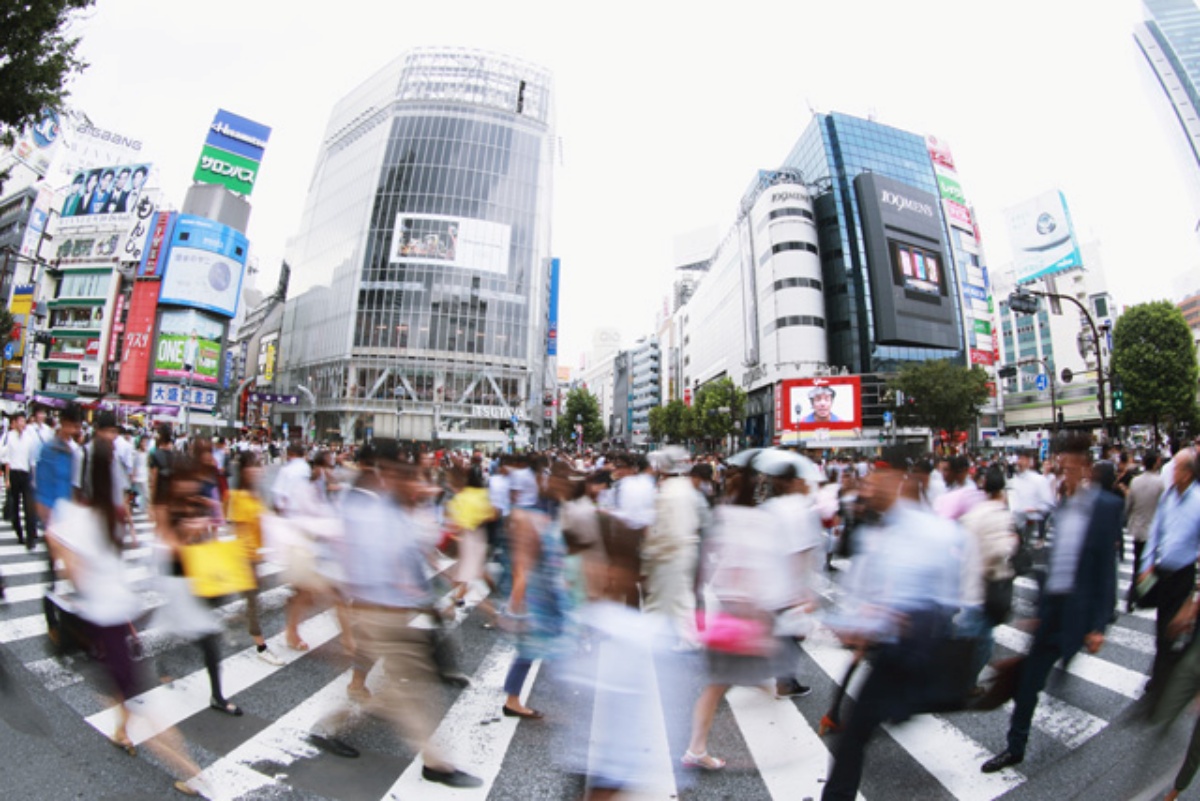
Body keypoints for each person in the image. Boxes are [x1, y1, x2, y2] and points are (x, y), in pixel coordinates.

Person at [309, 440, 483, 788]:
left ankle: (331, 725)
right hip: (379, 613)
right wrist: (347, 624)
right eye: (408, 477)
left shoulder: (396, 511)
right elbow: (349, 565)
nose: (416, 485)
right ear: (388, 475)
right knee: (414, 688)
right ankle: (435, 763)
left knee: (403, 688)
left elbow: (414, 559)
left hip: (397, 613)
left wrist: (429, 597)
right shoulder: (368, 511)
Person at [822, 450, 966, 800]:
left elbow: (951, 593)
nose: (870, 486)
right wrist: (854, 624)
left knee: (857, 732)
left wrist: (913, 619)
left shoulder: (931, 530)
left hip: (913, 647)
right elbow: (863, 590)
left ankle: (906, 705)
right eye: (871, 477)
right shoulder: (877, 532)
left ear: (900, 480)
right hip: (890, 649)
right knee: (855, 734)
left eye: (879, 478)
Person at [981, 434, 1122, 774]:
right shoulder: (1063, 507)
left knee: (1056, 665)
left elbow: (1106, 568)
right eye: (1061, 467)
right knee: (1028, 682)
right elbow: (1053, 563)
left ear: (1085, 468)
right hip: (1052, 611)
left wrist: (1099, 625)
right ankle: (1015, 747)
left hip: (1079, 611)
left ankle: (1066, 661)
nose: (1064, 473)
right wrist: (1037, 610)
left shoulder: (1105, 507)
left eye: (1070, 467)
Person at [683, 463, 789, 771]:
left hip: (728, 611)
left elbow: (711, 566)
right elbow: (756, 571)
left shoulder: (722, 517)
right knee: (740, 681)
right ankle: (783, 746)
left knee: (721, 684)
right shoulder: (758, 522)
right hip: (746, 614)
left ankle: (697, 748)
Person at [500, 460, 575, 720]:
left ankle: (513, 697)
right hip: (538, 593)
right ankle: (512, 699)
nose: (564, 488)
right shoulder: (534, 513)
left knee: (535, 646)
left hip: (548, 589)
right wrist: (515, 605)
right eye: (561, 482)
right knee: (533, 646)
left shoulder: (553, 509)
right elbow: (523, 562)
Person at [1136, 449, 1200, 706]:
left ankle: (1163, 679)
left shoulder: (1198, 500)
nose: (1172, 472)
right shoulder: (1168, 497)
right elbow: (1155, 532)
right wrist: (1147, 565)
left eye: (1176, 468)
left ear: (1187, 473)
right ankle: (1165, 671)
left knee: (1174, 627)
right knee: (1163, 625)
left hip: (1185, 574)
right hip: (1163, 572)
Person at [958, 465, 1019, 680]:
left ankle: (962, 680)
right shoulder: (1000, 515)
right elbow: (1001, 551)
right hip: (987, 587)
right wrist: (1012, 544)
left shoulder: (974, 513)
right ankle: (965, 683)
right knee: (983, 641)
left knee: (974, 636)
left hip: (968, 584)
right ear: (1002, 490)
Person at [226, 452, 283, 666]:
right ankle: (261, 647)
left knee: (253, 601)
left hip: (254, 558)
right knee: (253, 604)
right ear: (243, 470)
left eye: (258, 466)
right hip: (245, 559)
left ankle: (237, 622)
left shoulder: (254, 494)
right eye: (252, 466)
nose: (257, 470)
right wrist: (250, 563)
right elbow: (240, 532)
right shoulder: (238, 496)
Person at [642, 447, 702, 650]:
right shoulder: (685, 487)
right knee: (678, 597)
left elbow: (666, 529)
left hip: (670, 553)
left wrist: (651, 552)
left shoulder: (669, 493)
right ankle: (685, 638)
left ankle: (683, 639)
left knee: (666, 598)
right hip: (685, 549)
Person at [3, 411, 41, 550]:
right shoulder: (9, 437)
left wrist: (34, 478)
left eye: (24, 421)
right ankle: (19, 532)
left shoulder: (29, 438)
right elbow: (6, 459)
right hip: (14, 473)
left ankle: (31, 537)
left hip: (26, 474)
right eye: (20, 421)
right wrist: (7, 479)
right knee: (15, 506)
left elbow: (32, 460)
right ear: (14, 423)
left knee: (28, 506)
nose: (22, 424)